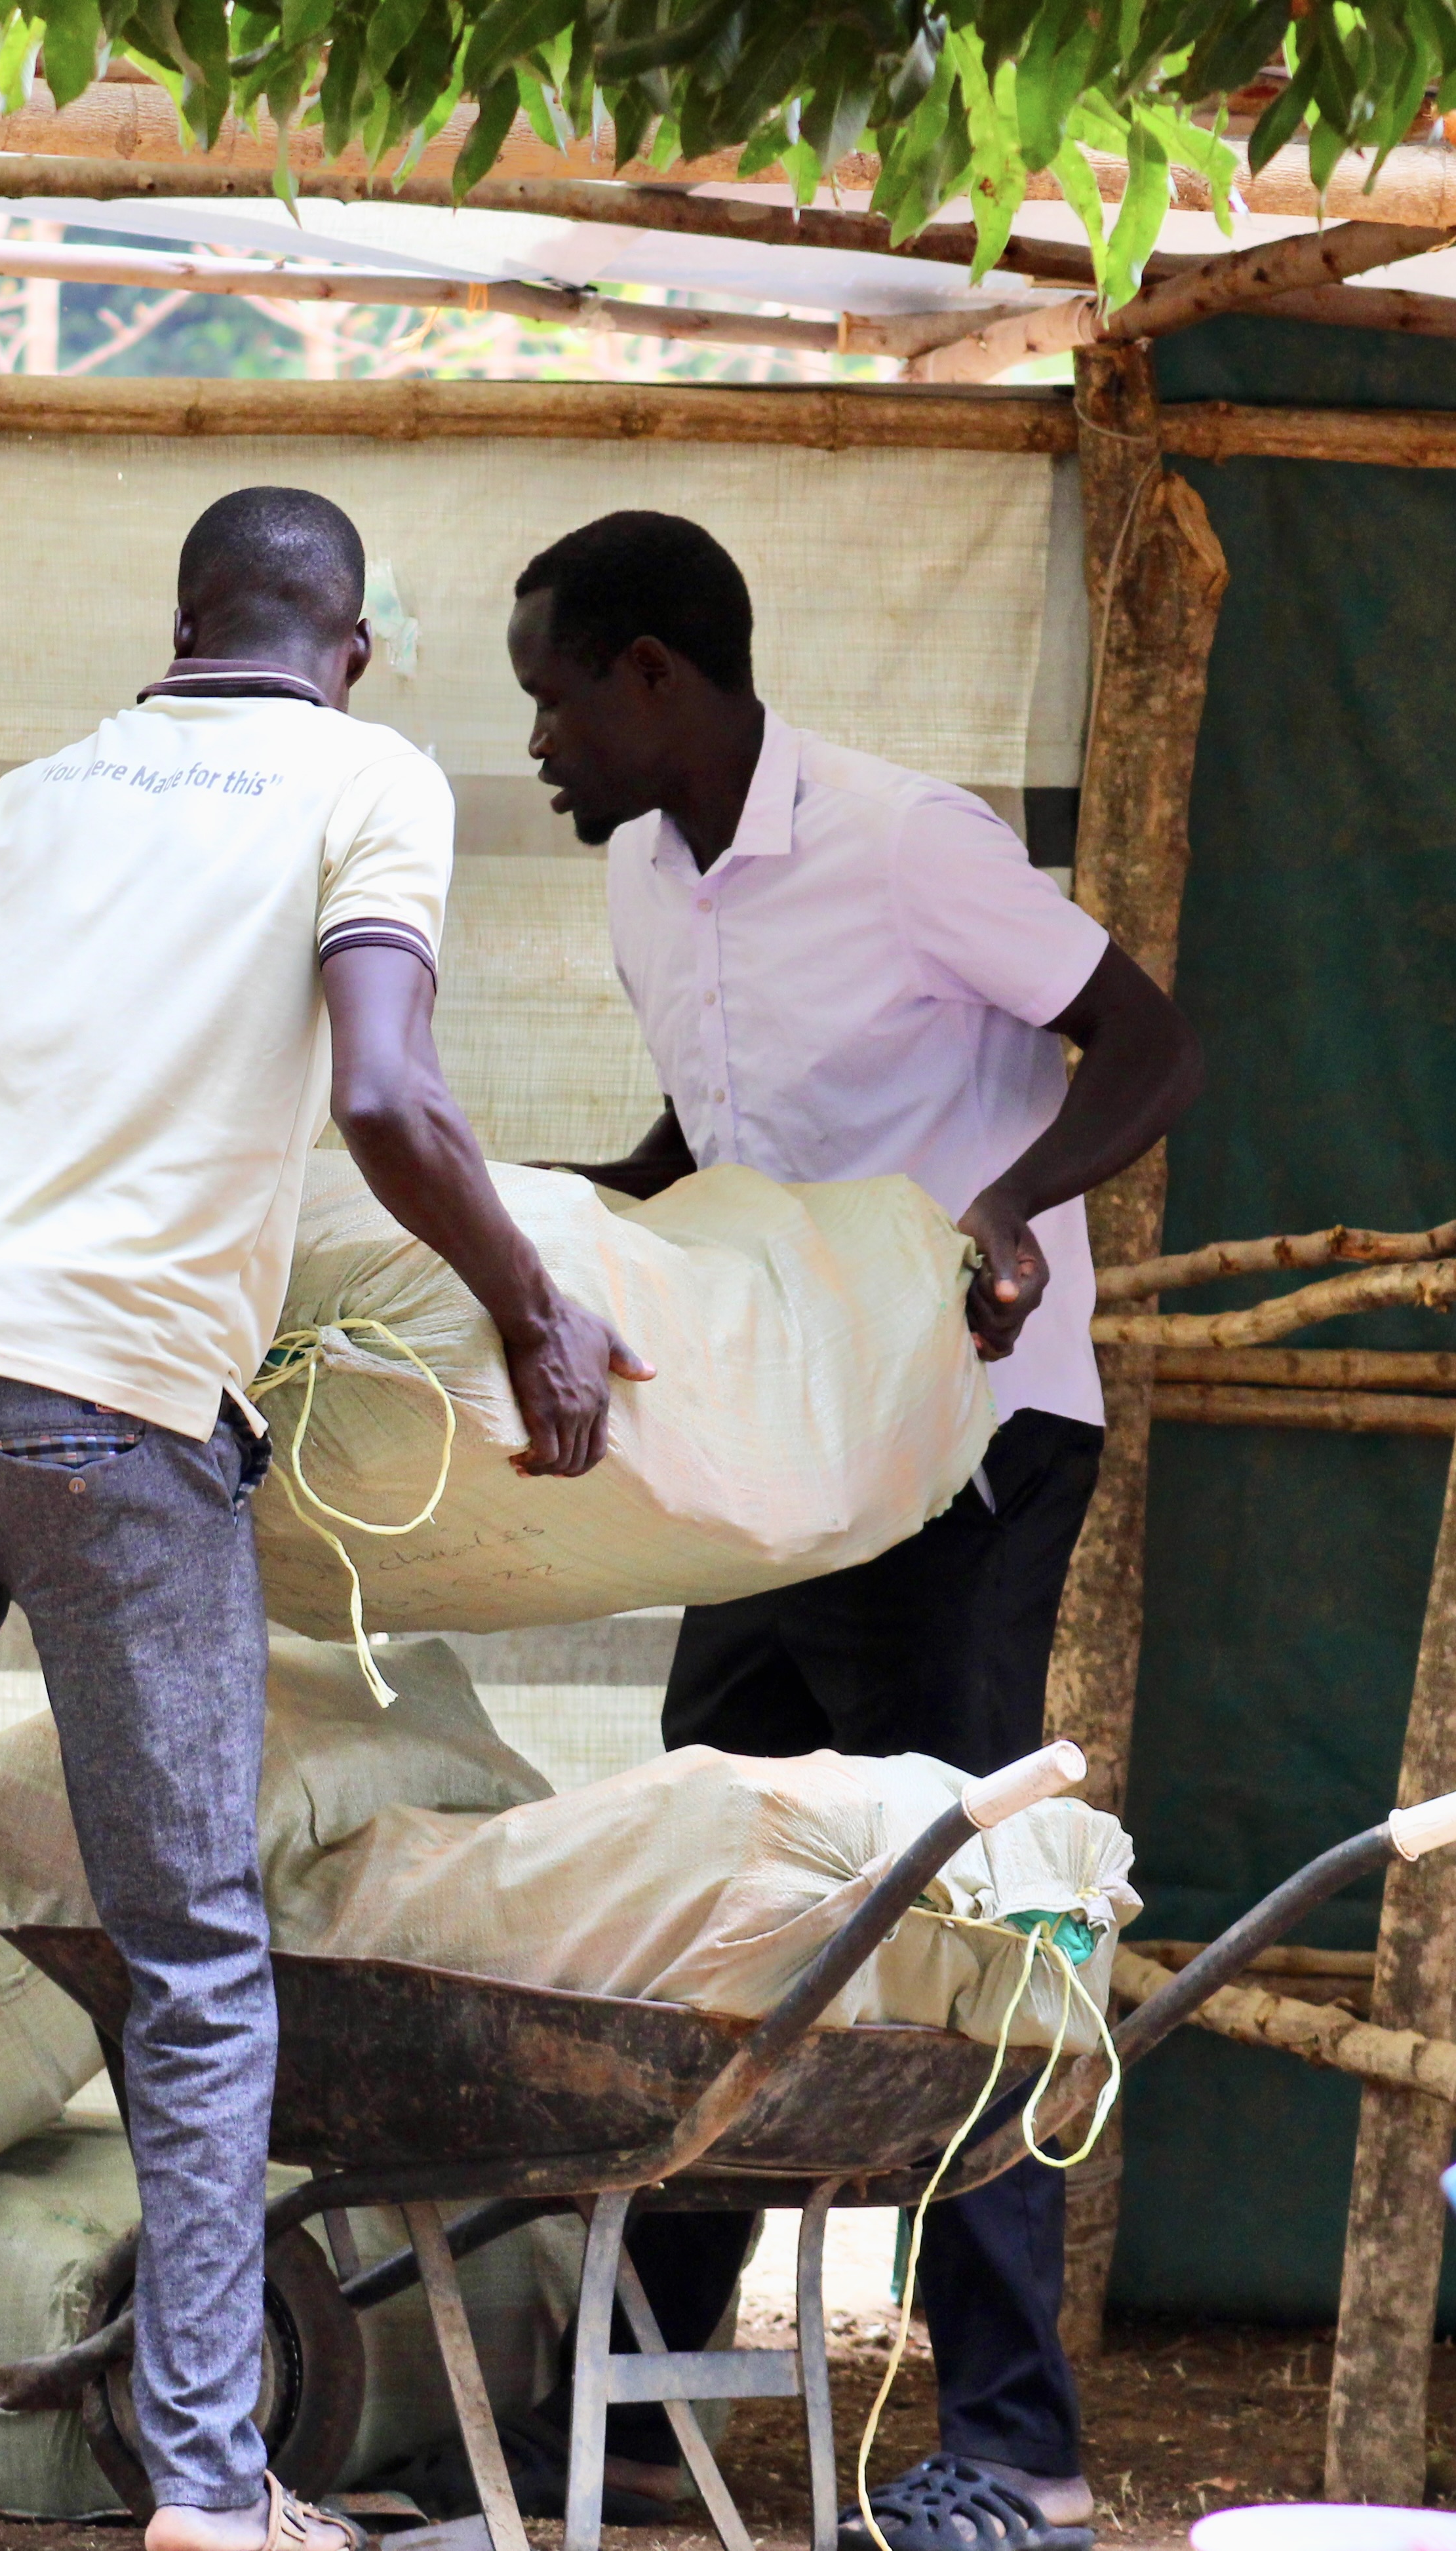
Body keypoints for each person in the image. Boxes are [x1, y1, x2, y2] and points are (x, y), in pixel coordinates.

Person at [0, 485, 651, 2551]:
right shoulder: (367, 783)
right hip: (115, 1420)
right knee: (197, 1956)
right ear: (350, 647)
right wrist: (535, 1312)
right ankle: (210, 2482)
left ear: (185, 620)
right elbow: (386, 1094)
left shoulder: (32, 797)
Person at [501, 511, 1202, 2551]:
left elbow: (1149, 1042)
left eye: (555, 696)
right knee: (725, 1876)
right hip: (782, 1450)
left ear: (652, 674)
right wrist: (562, 1215)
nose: (538, 743)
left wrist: (1010, 1208)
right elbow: (719, 1144)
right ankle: (642, 2412)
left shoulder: (904, 845)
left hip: (969, 1436)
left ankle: (1020, 2447)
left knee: (955, 1897)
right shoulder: (643, 879)